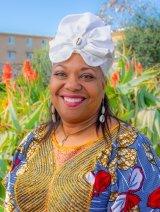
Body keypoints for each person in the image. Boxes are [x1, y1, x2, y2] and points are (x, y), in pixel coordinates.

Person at [4, 12, 160, 212]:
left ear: (103, 84)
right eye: (61, 73)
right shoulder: (34, 140)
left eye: (87, 76)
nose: (72, 85)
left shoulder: (129, 149)